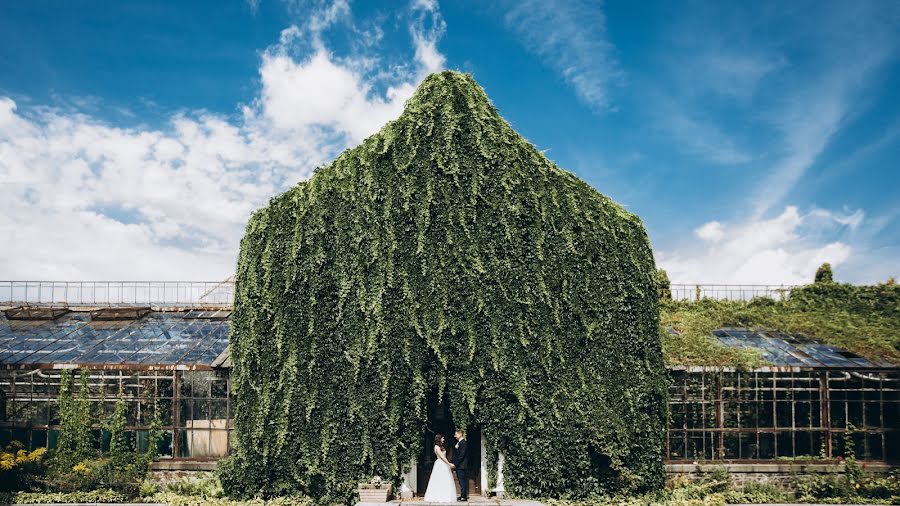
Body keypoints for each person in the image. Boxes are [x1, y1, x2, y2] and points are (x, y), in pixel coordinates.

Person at [423, 434, 457, 503]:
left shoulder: (441, 447)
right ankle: (438, 496)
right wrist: (449, 464)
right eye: (442, 438)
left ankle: (446, 495)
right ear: (439, 439)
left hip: (444, 464)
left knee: (445, 479)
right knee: (439, 479)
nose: (443, 439)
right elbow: (441, 457)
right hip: (440, 464)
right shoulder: (436, 447)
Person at [452, 429, 468, 502]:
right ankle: (462, 495)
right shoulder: (459, 442)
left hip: (461, 465)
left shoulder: (463, 443)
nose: (455, 436)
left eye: (456, 434)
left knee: (462, 481)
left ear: (460, 434)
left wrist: (455, 464)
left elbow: (461, 455)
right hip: (460, 465)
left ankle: (464, 497)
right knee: (461, 481)